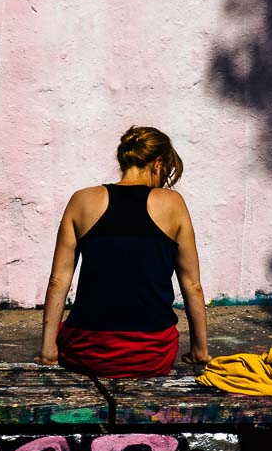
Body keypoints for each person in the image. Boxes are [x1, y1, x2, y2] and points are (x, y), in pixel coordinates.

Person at [37, 126, 211, 377]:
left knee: (69, 332)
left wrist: (48, 350)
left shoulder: (81, 200)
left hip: (89, 352)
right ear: (158, 163)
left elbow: (58, 280)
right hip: (152, 356)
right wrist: (199, 350)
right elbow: (192, 285)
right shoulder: (173, 204)